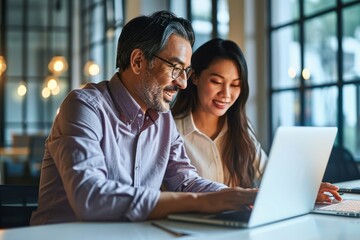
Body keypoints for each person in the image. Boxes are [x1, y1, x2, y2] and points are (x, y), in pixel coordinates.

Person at [30, 11, 258, 225]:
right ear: (138, 61)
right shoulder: (84, 107)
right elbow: (91, 196)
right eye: (175, 68)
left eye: (185, 71)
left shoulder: (163, 118)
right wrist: (201, 202)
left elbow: (186, 181)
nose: (183, 83)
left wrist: (236, 196)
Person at [171, 38, 342, 203]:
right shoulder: (171, 131)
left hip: (238, 225)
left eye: (235, 85)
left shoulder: (240, 130)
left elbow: (270, 175)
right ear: (194, 77)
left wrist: (305, 189)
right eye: (216, 81)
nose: (226, 94)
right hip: (190, 227)